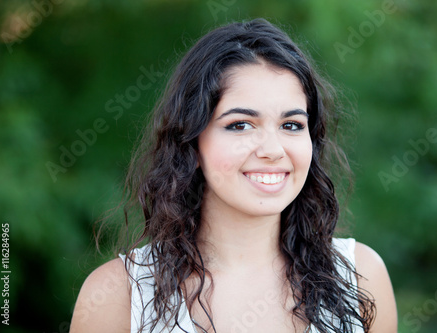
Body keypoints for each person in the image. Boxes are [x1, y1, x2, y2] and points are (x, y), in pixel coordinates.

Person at [69, 18, 397, 333]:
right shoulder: (118, 296)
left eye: (291, 125)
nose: (273, 149)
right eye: (240, 125)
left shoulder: (359, 276)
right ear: (192, 143)